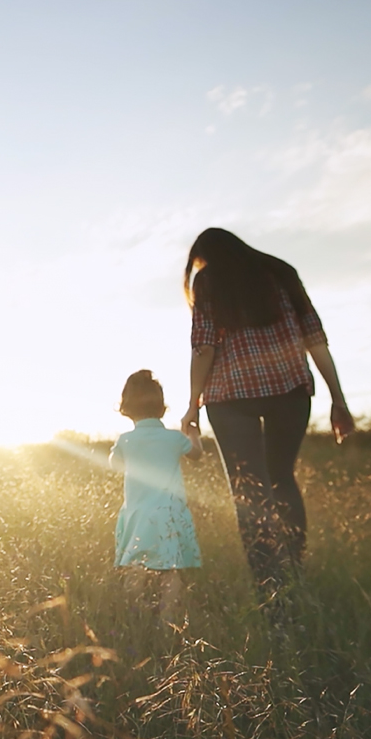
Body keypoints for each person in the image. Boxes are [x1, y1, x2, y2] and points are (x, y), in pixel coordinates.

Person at [177, 228, 354, 606]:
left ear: (203, 256)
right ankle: (294, 568)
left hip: (230, 394)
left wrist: (192, 404)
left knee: (247, 488)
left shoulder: (209, 280)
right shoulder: (280, 272)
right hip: (289, 388)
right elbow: (315, 340)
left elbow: (203, 347)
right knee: (281, 478)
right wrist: (338, 400)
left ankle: (268, 583)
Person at [110, 369, 203, 624]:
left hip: (138, 514)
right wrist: (192, 432)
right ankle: (167, 621)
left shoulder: (126, 441)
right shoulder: (173, 438)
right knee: (171, 570)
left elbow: (113, 461)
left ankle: (135, 618)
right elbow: (196, 454)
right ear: (161, 407)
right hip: (170, 513)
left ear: (126, 407)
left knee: (136, 566)